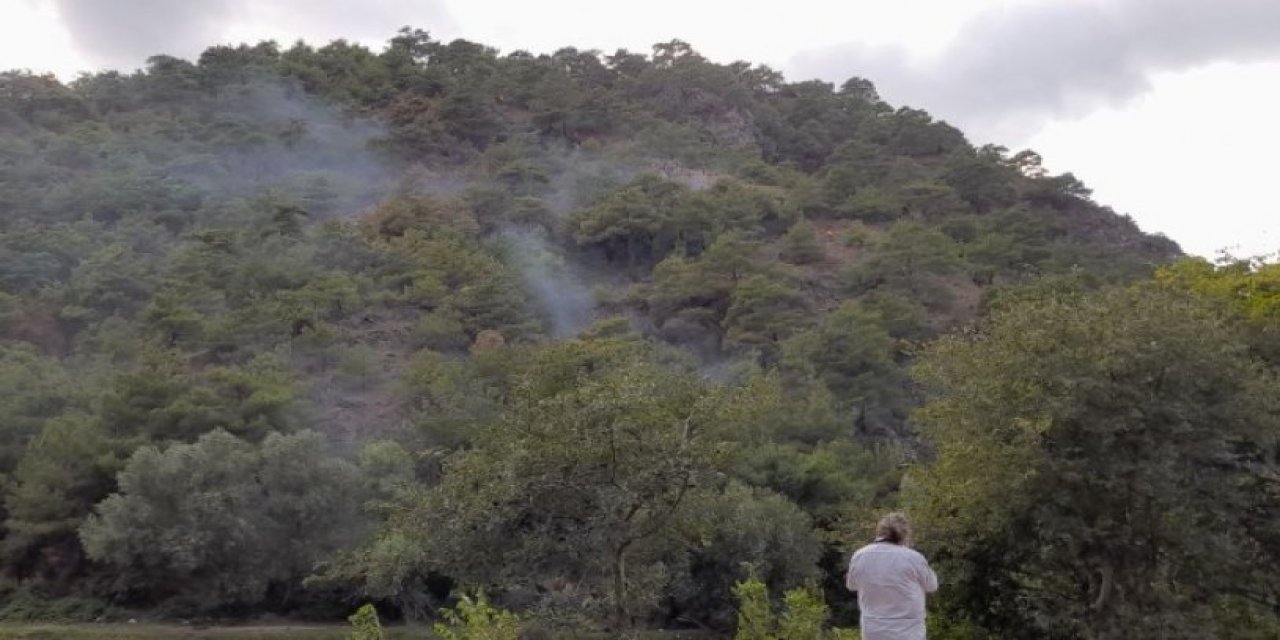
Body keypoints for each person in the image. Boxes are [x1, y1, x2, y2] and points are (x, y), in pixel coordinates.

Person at [845, 512, 938, 640]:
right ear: (905, 534)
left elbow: (851, 585)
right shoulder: (913, 558)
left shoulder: (860, 555)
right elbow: (932, 586)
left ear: (879, 531)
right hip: (908, 630)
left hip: (873, 629)